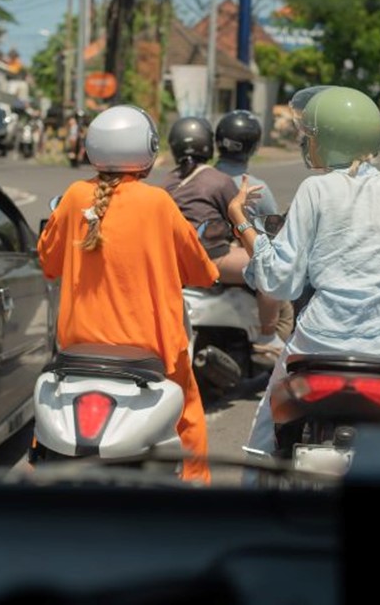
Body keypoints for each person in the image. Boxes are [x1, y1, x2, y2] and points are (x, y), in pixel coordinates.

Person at [227, 85, 380, 477]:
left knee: (264, 436)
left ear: (329, 139)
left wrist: (242, 221)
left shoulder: (315, 190)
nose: (304, 143)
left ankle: (252, 512)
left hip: (320, 341)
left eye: (309, 136)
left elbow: (281, 281)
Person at [38, 105, 219, 485]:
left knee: (47, 425)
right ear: (147, 152)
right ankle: (196, 498)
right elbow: (202, 272)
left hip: (77, 352)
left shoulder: (74, 197)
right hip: (152, 354)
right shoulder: (158, 203)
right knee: (188, 416)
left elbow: (48, 262)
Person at [161, 116, 287, 362]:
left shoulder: (167, 182)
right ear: (209, 145)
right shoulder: (219, 181)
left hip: (172, 262)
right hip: (211, 259)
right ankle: (267, 336)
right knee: (273, 266)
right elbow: (240, 224)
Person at [213, 109, 294, 341]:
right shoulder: (256, 187)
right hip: (234, 265)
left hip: (199, 264)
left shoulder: (201, 178)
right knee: (282, 297)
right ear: (254, 146)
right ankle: (268, 340)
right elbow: (273, 237)